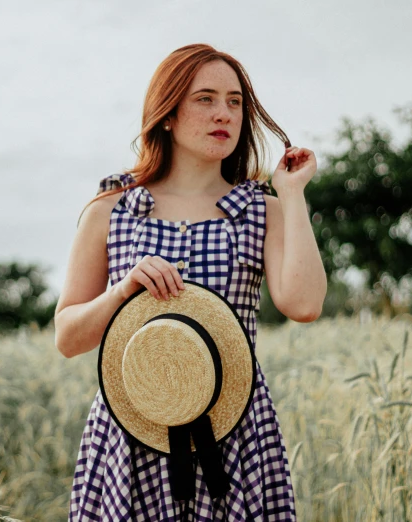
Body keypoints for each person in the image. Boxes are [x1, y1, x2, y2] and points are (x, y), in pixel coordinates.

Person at [54, 43, 327, 521]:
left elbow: (303, 304)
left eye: (235, 101)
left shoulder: (260, 210)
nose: (224, 113)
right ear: (167, 114)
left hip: (234, 432)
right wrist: (123, 293)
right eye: (205, 98)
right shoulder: (112, 209)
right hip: (132, 430)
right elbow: (68, 337)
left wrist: (292, 194)